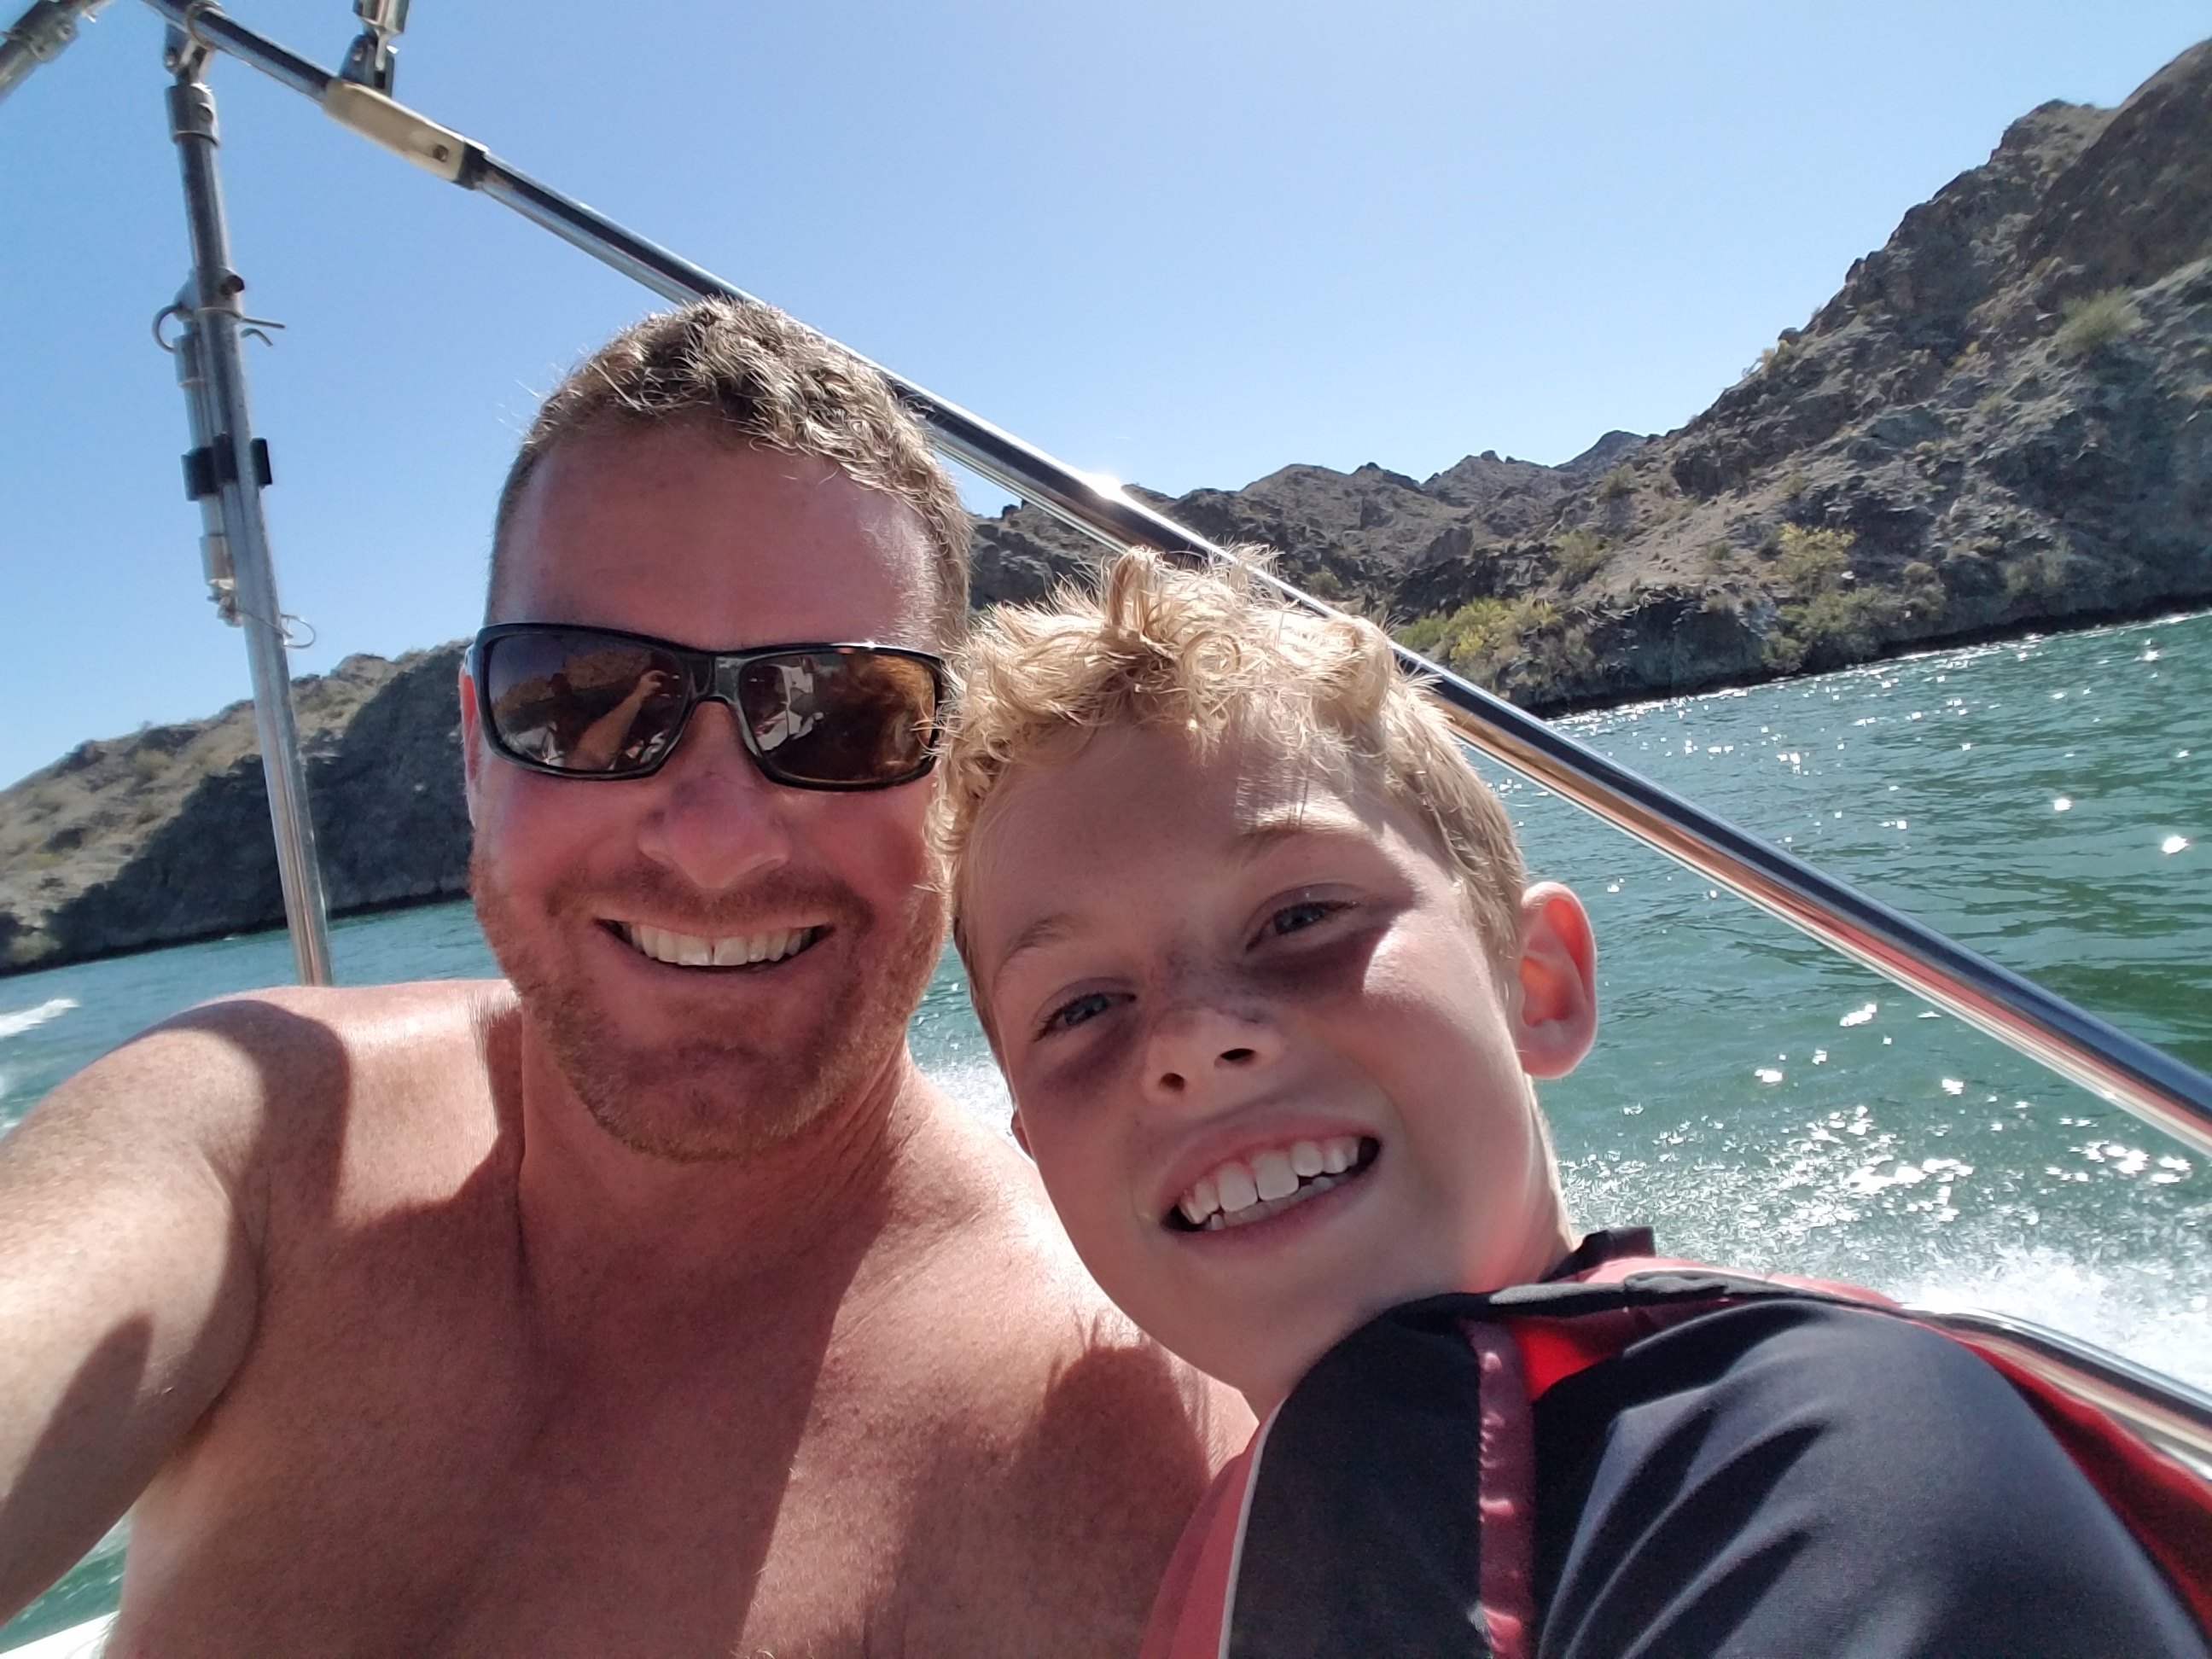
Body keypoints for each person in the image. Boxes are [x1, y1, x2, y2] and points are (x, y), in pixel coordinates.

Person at [0, 301, 1248, 1656]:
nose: (713, 842)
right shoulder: (243, 1137)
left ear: (949, 780)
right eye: (582, 701)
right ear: (477, 754)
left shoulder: (1132, 1450)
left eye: (838, 716)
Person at [934, 548, 2212, 1658]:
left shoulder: (1821, 1462)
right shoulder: (1282, 1504)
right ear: (1035, 1152)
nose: (1193, 1040)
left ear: (1536, 984)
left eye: (1301, 917)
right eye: (1083, 1008)